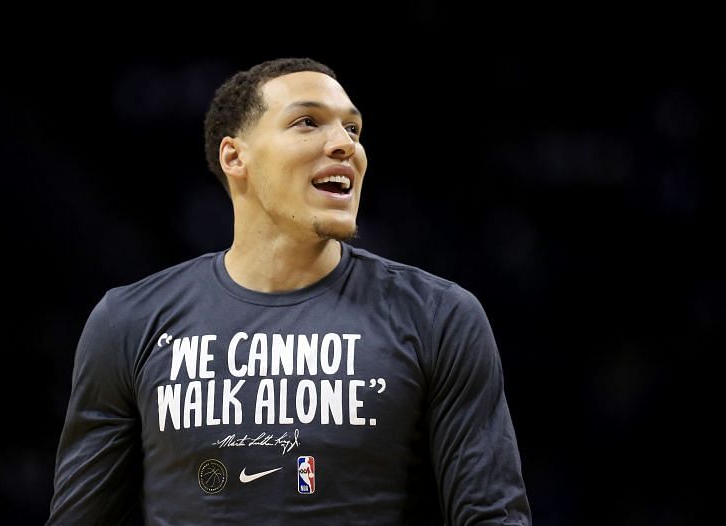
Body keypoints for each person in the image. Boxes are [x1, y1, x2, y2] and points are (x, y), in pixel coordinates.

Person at [46, 57, 531, 525]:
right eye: (307, 122)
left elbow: (492, 516)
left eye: (353, 129)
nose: (345, 145)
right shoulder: (129, 320)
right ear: (236, 157)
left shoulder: (439, 317)